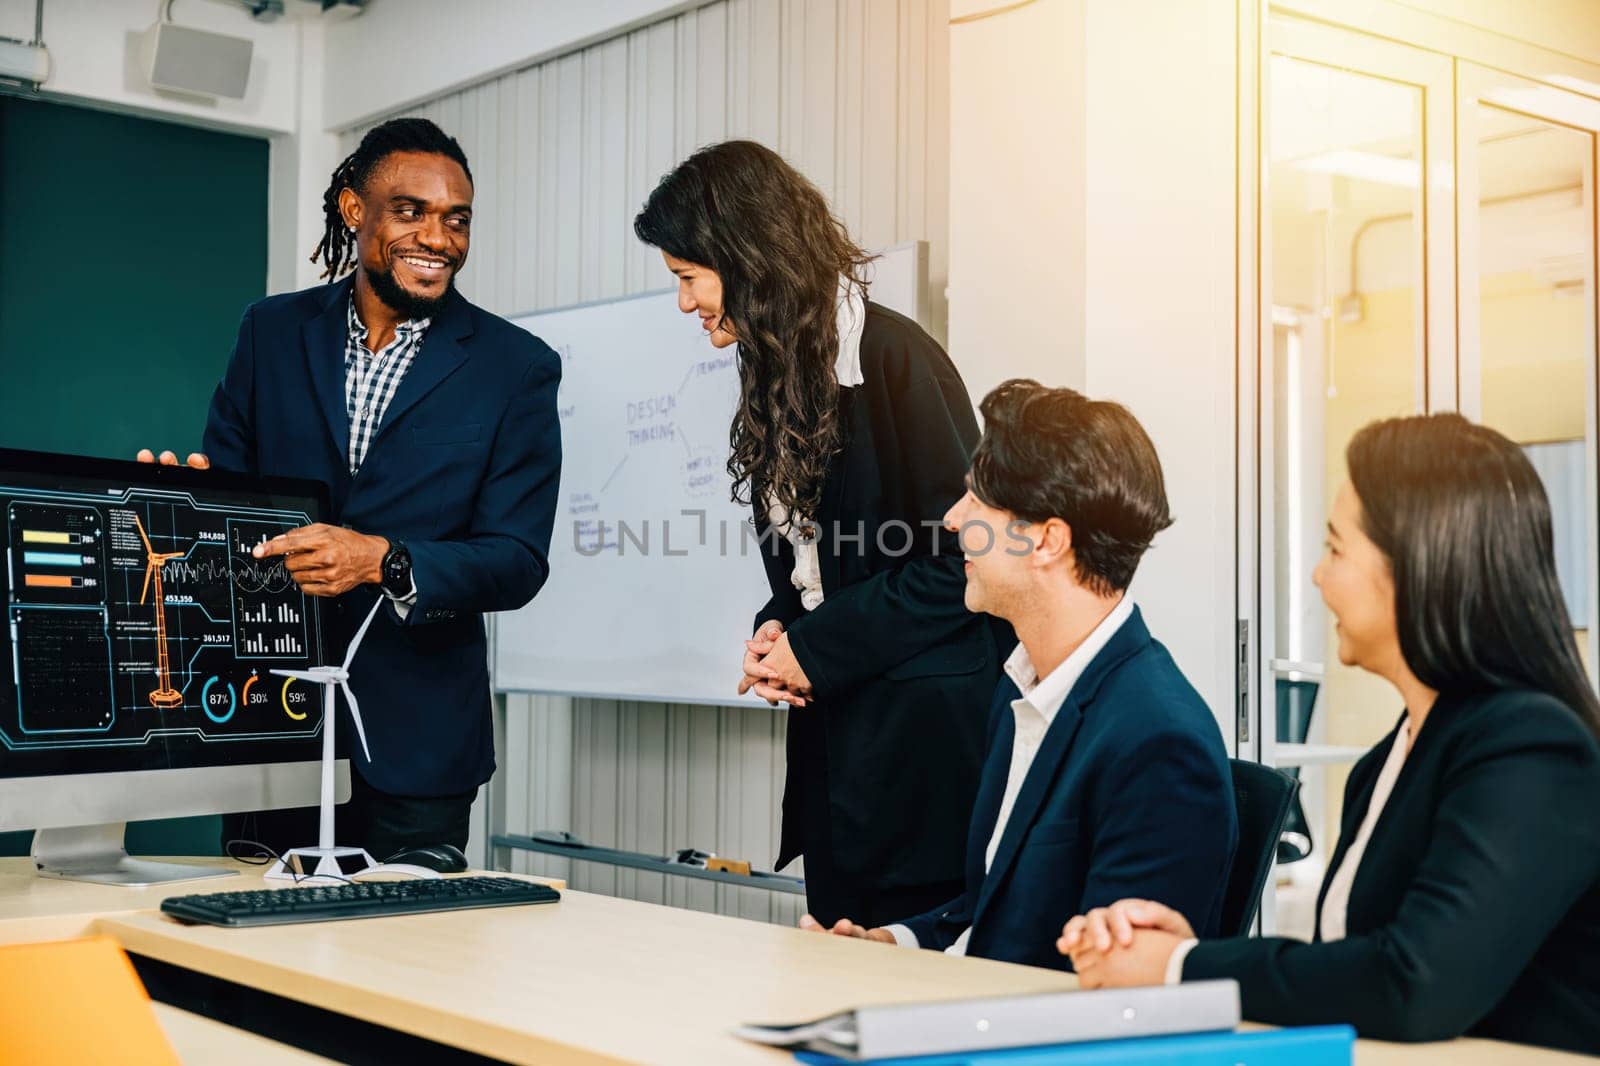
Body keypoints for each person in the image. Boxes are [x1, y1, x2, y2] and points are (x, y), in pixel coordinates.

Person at [1059, 412, 1600, 1055]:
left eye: (1336, 549)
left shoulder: (1533, 750)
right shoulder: (1389, 760)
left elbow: (1412, 986)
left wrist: (1177, 969)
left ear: (1420, 566)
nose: (1318, 576)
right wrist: (1187, 953)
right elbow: (1349, 970)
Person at [142, 117, 562, 860]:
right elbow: (232, 512)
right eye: (410, 211)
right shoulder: (270, 333)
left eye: (455, 219)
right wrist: (187, 506)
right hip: (268, 730)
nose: (437, 238)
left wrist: (383, 560)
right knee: (255, 962)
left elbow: (517, 558)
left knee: (406, 965)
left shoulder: (514, 366)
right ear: (352, 209)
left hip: (417, 750)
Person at [632, 140, 1007, 928]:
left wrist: (817, 646)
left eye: (687, 278)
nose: (684, 303)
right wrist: (778, 628)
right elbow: (815, 564)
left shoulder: (897, 358)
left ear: (747, 257)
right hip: (839, 750)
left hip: (919, 762)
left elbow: (960, 566)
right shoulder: (774, 366)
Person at [797, 380, 1237, 968]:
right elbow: (987, 913)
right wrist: (891, 945)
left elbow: (1118, 993)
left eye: (976, 500)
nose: (951, 521)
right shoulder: (1024, 687)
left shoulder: (1158, 743)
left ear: (1047, 540)